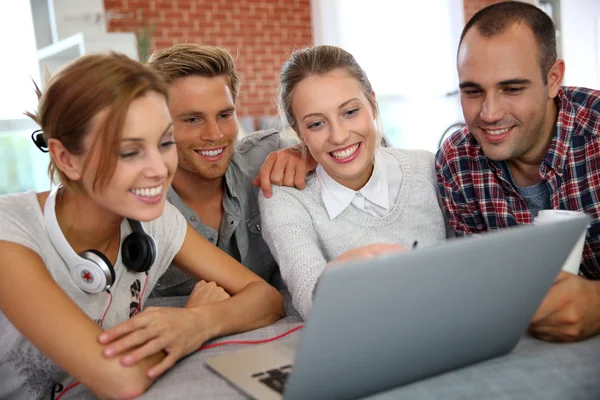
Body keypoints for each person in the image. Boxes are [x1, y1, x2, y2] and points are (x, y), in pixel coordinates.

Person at [0, 53, 284, 399]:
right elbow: (121, 380)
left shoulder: (158, 223)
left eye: (164, 143)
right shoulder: (10, 231)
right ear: (65, 158)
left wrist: (198, 323)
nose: (158, 168)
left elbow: (267, 300)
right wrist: (193, 313)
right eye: (130, 151)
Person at [435, 1, 600, 342]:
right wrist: (311, 152)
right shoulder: (456, 163)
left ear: (553, 79)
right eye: (473, 91)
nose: (490, 114)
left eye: (512, 89)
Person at [259, 45, 448, 319]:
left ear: (372, 104)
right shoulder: (286, 199)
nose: (338, 136)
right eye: (316, 124)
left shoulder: (428, 169)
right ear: (299, 133)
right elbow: (309, 298)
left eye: (349, 112)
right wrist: (339, 276)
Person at [146, 44, 315, 297]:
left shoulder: (266, 156)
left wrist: (315, 154)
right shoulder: (140, 206)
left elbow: (374, 148)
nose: (215, 134)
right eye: (193, 120)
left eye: (225, 115)